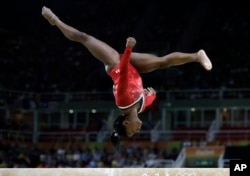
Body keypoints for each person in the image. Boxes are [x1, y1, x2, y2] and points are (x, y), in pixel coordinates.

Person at [41, 6, 212, 148]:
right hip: (134, 68)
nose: (137, 131)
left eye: (131, 131)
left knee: (84, 38)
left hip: (116, 65)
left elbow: (122, 74)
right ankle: (197, 56)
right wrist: (151, 94)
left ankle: (55, 21)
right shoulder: (140, 108)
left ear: (126, 123)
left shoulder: (123, 102)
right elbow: (149, 99)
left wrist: (128, 49)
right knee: (162, 62)